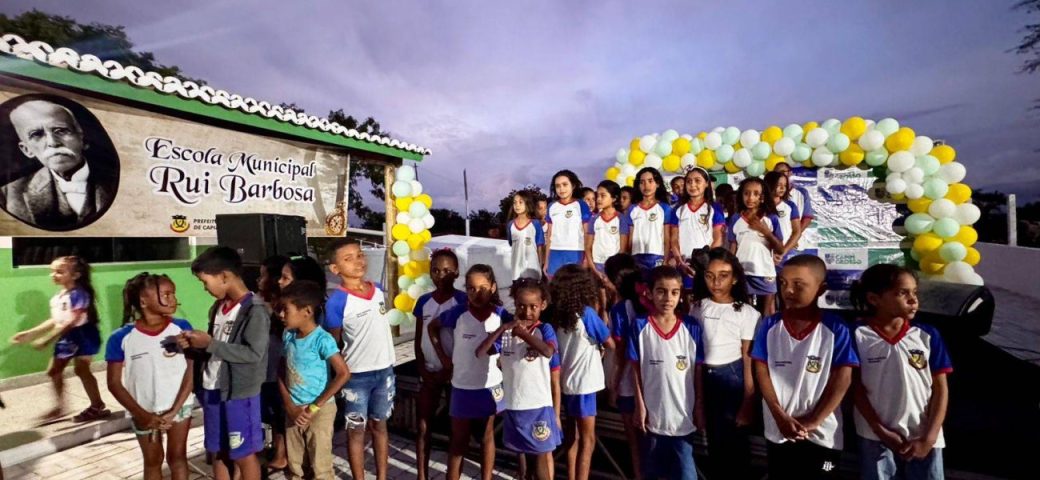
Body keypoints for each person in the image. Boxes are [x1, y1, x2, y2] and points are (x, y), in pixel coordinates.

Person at [752, 255, 859, 480]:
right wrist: (779, 416)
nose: (788, 290)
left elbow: (843, 378)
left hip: (823, 435)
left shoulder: (835, 328)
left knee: (825, 473)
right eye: (783, 283)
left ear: (821, 289)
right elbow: (761, 371)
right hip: (779, 431)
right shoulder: (770, 325)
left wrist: (813, 421)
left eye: (798, 284)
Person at [850, 264, 951, 480]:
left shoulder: (927, 335)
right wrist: (880, 430)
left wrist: (930, 438)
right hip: (875, 437)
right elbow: (854, 387)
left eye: (914, 292)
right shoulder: (857, 335)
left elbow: (940, 389)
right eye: (902, 293)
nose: (913, 300)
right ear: (874, 299)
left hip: (924, 436)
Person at [179, 246, 270, 480]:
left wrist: (209, 344)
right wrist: (194, 346)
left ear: (225, 277)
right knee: (218, 451)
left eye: (205, 282)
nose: (204, 288)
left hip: (239, 394)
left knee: (243, 453)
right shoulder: (217, 308)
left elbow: (253, 354)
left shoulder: (255, 310)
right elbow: (214, 350)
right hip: (212, 390)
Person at [106, 273, 195, 480]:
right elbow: (114, 383)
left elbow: (192, 369)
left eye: (173, 294)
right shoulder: (121, 337)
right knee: (153, 461)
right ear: (143, 301)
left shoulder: (182, 328)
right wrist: (142, 415)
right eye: (166, 294)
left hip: (180, 407)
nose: (172, 299)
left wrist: (174, 410)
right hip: (142, 410)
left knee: (177, 457)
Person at [322, 238, 396, 480]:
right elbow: (334, 343)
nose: (358, 261)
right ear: (335, 269)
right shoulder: (336, 301)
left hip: (385, 372)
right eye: (348, 258)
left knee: (380, 426)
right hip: (356, 378)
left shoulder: (378, 291)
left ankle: (382, 476)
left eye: (359, 255)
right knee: (356, 431)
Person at [427, 264, 509, 480]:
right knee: (458, 441)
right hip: (461, 387)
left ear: (492, 287)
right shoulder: (458, 313)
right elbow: (431, 327)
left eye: (483, 287)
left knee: (487, 437)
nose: (477, 293)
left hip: (490, 387)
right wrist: (445, 359)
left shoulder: (502, 315)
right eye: (471, 288)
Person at [478, 278, 562, 480]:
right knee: (522, 457)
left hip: (537, 406)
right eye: (521, 306)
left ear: (542, 305)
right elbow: (481, 352)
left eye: (533, 307)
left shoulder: (544, 329)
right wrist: (502, 329)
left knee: (541, 455)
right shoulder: (507, 333)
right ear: (514, 305)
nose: (527, 312)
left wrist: (523, 334)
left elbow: (548, 351)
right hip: (514, 405)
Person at [628, 266, 706, 480]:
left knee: (686, 474)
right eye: (661, 291)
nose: (667, 298)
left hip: (683, 418)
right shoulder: (640, 326)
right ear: (650, 293)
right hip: (654, 417)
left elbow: (697, 370)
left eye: (674, 292)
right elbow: (636, 368)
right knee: (654, 473)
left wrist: (698, 404)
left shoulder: (691, 327)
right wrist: (640, 405)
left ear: (681, 294)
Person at [10, 255, 109, 422]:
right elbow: (56, 320)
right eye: (52, 271)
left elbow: (73, 320)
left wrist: (47, 339)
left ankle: (82, 406)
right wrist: (30, 333)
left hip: (81, 334)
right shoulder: (58, 297)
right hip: (71, 334)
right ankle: (85, 405)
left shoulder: (79, 294)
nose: (53, 275)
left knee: (68, 370)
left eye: (59, 272)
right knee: (67, 370)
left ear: (76, 275)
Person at [689, 248, 760, 479]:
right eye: (710, 275)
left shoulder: (746, 313)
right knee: (714, 442)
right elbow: (697, 355)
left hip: (732, 378)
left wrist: (748, 398)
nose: (716, 282)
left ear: (735, 278)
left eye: (723, 275)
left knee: (736, 443)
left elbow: (748, 357)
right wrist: (698, 398)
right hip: (705, 378)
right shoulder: (698, 308)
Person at [0, 98, 118, 230]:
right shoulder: (7, 195)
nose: (52, 142)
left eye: (60, 130)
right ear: (27, 150)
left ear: (81, 138)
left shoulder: (117, 180)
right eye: (37, 134)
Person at [276, 281, 350, 480]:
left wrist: (314, 407)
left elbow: (343, 373)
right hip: (293, 411)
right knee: (295, 465)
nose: (281, 315)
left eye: (286, 310)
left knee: (320, 466)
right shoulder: (288, 335)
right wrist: (289, 405)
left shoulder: (322, 339)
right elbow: (281, 370)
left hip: (320, 411)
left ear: (307, 311)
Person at [549, 265, 614, 480]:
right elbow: (610, 342)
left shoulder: (556, 316)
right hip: (585, 384)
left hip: (566, 384)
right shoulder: (586, 314)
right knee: (588, 440)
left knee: (572, 436)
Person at [412, 248, 466, 480]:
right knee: (424, 426)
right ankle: (422, 475)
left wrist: (450, 369)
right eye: (435, 270)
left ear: (456, 273)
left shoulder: (463, 300)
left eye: (446, 270)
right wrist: (423, 368)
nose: (440, 275)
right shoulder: (423, 302)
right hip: (430, 373)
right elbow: (418, 338)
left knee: (457, 430)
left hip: (455, 374)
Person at [604, 254, 646, 480]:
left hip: (629, 383)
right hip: (649, 377)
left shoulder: (621, 309)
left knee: (634, 441)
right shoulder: (643, 302)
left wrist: (614, 385)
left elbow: (620, 352)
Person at [728, 177, 784, 316]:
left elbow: (780, 249)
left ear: (763, 197)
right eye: (746, 193)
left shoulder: (771, 218)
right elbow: (733, 247)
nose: (750, 197)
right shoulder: (736, 218)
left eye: (755, 193)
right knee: (743, 311)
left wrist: (765, 231)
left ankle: (765, 337)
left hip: (765, 271)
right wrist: (731, 270)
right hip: (742, 272)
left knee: (767, 312)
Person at [257, 254, 290, 471]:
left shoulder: (282, 306)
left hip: (276, 367)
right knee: (270, 412)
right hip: (264, 368)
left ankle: (282, 452)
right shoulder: (258, 301)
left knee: (279, 412)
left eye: (262, 276)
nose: (258, 281)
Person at [668, 167, 725, 287]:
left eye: (697, 181)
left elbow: (718, 238)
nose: (692, 185)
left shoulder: (715, 208)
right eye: (689, 181)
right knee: (688, 300)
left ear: (706, 184)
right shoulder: (678, 210)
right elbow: (674, 239)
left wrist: (706, 260)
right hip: (684, 265)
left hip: (706, 265)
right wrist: (680, 262)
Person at [543, 170, 592, 277]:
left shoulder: (581, 205)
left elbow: (587, 233)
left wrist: (587, 258)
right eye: (558, 186)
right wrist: (546, 260)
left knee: (576, 286)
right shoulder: (552, 206)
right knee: (555, 286)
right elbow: (550, 235)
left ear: (573, 185)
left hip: (576, 251)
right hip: (555, 252)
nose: (561, 189)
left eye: (565, 184)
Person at [628, 167, 675, 271]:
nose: (646, 185)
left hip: (657, 255)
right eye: (642, 182)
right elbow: (630, 238)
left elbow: (667, 238)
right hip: (636, 256)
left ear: (657, 184)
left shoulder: (664, 208)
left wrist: (666, 260)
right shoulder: (632, 209)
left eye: (650, 181)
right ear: (638, 185)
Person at [585, 181, 630, 273]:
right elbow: (588, 247)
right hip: (596, 266)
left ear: (614, 198)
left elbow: (622, 249)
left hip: (614, 268)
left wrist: (615, 269)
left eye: (603, 195)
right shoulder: (594, 219)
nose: (598, 199)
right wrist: (594, 269)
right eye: (597, 196)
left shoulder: (621, 219)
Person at [773, 162, 814, 254]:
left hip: (795, 245)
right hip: (774, 245)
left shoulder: (801, 193)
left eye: (784, 171)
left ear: (790, 173)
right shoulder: (768, 196)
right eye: (777, 173)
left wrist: (794, 237)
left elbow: (807, 218)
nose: (781, 174)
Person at [764, 171, 803, 266]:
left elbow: (797, 232)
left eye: (785, 185)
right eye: (779, 185)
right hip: (763, 254)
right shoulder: (760, 206)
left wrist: (783, 252)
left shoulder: (790, 206)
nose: (782, 188)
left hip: (786, 254)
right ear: (769, 184)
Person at [507, 190, 546, 280]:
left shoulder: (535, 223)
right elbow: (511, 243)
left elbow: (539, 246)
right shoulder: (510, 225)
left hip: (532, 268)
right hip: (516, 270)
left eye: (520, 202)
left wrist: (539, 266)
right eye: (515, 203)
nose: (517, 205)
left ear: (528, 204)